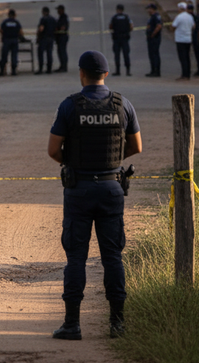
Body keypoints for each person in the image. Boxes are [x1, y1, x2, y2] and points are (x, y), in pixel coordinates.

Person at [48, 50, 142, 341]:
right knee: (112, 257)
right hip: (112, 188)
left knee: (76, 257)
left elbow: (53, 150)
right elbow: (136, 146)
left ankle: (72, 325)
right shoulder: (122, 104)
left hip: (79, 189)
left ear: (81, 73)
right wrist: (111, 162)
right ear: (106, 74)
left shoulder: (69, 106)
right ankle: (117, 324)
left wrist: (76, 162)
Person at [170, 2, 195, 80]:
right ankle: (187, 74)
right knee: (187, 57)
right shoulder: (190, 17)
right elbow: (194, 26)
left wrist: (174, 31)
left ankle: (184, 75)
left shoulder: (179, 17)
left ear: (180, 9)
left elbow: (173, 26)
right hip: (188, 39)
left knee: (182, 57)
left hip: (180, 39)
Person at [109, 4, 133, 76]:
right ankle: (128, 71)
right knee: (126, 54)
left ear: (117, 10)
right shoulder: (126, 17)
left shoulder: (114, 17)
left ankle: (117, 71)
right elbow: (131, 26)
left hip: (117, 38)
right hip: (125, 38)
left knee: (117, 55)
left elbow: (110, 26)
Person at [0, 9, 23, 76]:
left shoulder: (5, 22)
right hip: (14, 40)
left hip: (6, 40)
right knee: (14, 55)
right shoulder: (16, 22)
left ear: (8, 15)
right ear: (15, 15)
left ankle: (2, 71)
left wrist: (4, 34)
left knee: (4, 56)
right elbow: (20, 32)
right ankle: (13, 71)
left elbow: (0, 30)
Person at [36, 7, 56, 75]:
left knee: (41, 54)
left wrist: (38, 36)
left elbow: (41, 29)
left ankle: (40, 69)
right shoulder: (53, 19)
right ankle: (49, 69)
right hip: (51, 38)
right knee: (49, 53)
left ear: (43, 12)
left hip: (44, 38)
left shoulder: (43, 19)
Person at [145, 4, 163, 77]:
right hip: (151, 38)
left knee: (155, 54)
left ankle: (156, 71)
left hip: (154, 38)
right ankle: (153, 70)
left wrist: (153, 34)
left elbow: (159, 26)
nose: (148, 11)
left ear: (152, 9)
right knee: (152, 54)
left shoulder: (156, 16)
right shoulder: (152, 17)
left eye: (149, 9)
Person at [188, 3, 199, 76]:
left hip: (196, 38)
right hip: (195, 37)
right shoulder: (196, 17)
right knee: (198, 55)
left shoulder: (195, 17)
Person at [55, 5, 70, 72]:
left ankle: (64, 66)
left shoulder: (64, 17)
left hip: (62, 37)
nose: (58, 11)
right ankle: (62, 65)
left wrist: (57, 30)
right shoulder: (61, 17)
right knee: (60, 51)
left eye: (59, 10)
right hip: (60, 37)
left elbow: (63, 28)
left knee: (62, 51)